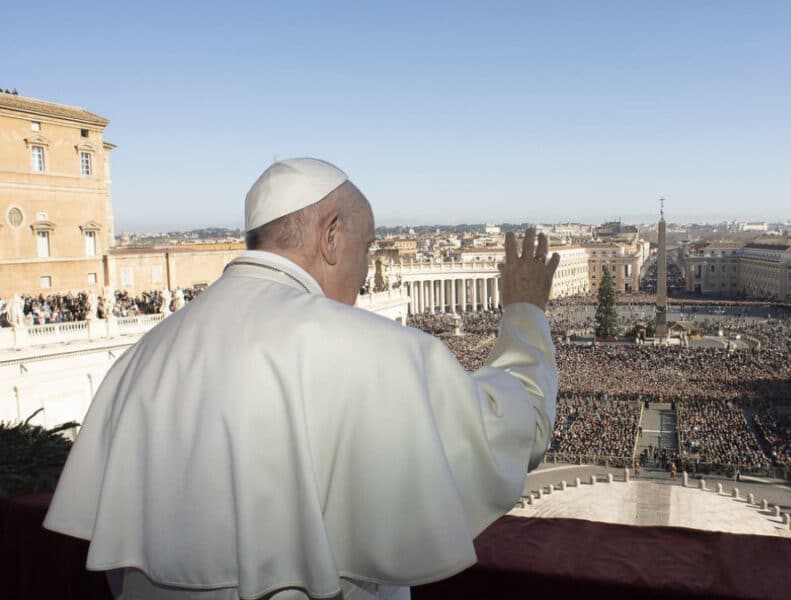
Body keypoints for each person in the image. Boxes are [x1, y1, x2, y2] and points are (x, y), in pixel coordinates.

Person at [43, 158, 562, 600]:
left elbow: (119, 566)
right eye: (368, 247)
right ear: (332, 236)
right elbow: (518, 429)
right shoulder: (374, 353)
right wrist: (523, 313)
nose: (365, 273)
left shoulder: (139, 361)